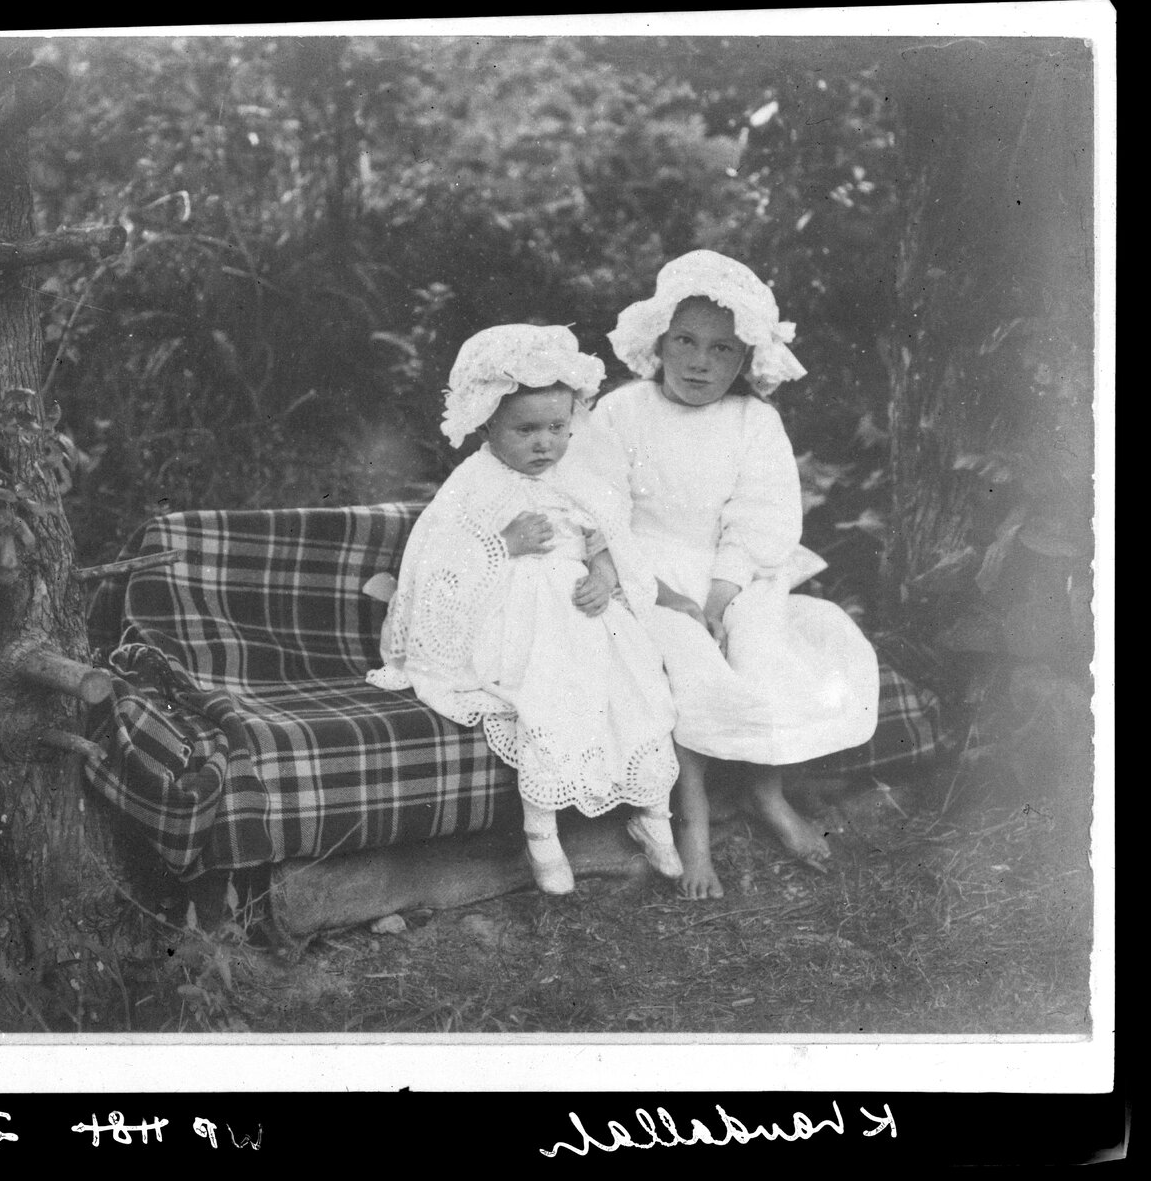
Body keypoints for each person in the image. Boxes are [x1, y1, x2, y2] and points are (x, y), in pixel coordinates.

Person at [577, 251, 880, 900]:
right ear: (658, 341)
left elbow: (759, 519)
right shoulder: (623, 412)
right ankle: (693, 824)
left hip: (731, 571)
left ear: (745, 361)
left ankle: (767, 794)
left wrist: (719, 597)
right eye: (684, 341)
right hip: (645, 572)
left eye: (722, 350)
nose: (699, 362)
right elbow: (601, 514)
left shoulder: (753, 422)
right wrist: (674, 600)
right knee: (689, 660)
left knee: (760, 647)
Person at [368, 324, 684, 894]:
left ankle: (654, 814)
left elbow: (606, 538)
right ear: (487, 425)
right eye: (526, 430)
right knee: (544, 698)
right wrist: (502, 544)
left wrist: (603, 575)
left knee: (638, 685)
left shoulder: (576, 475)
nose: (545, 444)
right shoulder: (475, 482)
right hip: (512, 618)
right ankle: (542, 833)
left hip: (582, 612)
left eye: (557, 428)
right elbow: (440, 557)